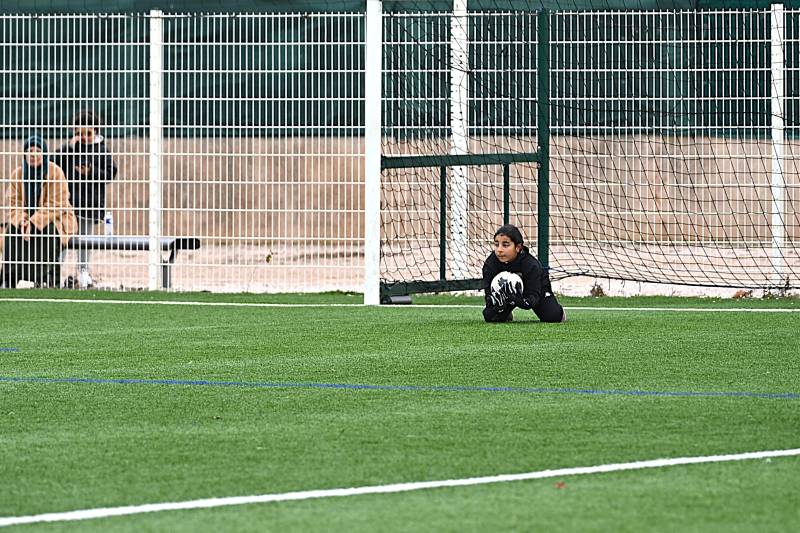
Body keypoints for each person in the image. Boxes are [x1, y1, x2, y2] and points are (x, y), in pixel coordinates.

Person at [2, 135, 78, 288]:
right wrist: (22, 220)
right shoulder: (18, 174)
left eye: (38, 150)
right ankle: (10, 278)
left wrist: (33, 222)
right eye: (29, 151)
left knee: (47, 231)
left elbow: (57, 204)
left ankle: (48, 279)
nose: (33, 154)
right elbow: (12, 203)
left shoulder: (55, 172)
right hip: (26, 219)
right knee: (11, 231)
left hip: (55, 219)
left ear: (44, 153)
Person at [54, 110, 118, 288]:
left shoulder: (102, 150)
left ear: (95, 131)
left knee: (85, 239)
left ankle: (83, 271)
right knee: (63, 238)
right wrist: (69, 147)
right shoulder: (69, 149)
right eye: (79, 133)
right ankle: (56, 272)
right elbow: (53, 163)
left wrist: (90, 172)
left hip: (90, 203)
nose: (83, 137)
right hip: (68, 204)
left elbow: (110, 173)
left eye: (87, 133)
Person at [482, 224, 566, 323]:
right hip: (508, 294)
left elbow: (534, 297)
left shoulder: (531, 265)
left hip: (534, 290)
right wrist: (496, 306)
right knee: (492, 318)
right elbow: (489, 296)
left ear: (518, 247)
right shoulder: (490, 264)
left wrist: (521, 301)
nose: (499, 250)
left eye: (505, 245)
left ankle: (560, 312)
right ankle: (507, 313)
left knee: (552, 317)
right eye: (496, 244)